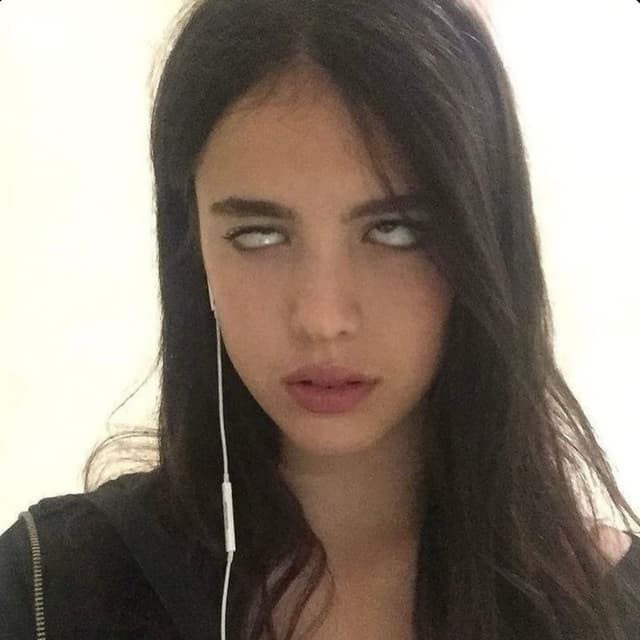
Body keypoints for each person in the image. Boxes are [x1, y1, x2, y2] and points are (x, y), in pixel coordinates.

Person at [1, 0, 639, 638]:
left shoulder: (611, 610)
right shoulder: (54, 592)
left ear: (484, 242)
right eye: (257, 235)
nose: (321, 319)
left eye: (394, 231)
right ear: (193, 247)